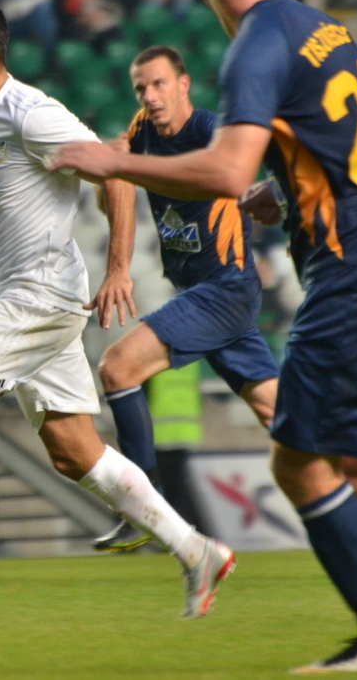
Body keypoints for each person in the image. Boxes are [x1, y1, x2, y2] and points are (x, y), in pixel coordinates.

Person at [46, 0, 357, 670]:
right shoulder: (326, 28)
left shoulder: (255, 46)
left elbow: (224, 170)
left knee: (298, 461)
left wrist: (115, 161)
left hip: (351, 275)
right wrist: (289, 189)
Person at [0, 0, 233, 619]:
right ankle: (197, 552)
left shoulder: (31, 114)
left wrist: (118, 269)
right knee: (73, 451)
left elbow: (115, 171)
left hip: (41, 296)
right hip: (36, 297)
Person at [89, 46, 279, 552]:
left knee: (117, 368)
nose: (149, 96)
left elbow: (259, 166)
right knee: (278, 414)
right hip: (203, 293)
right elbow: (110, 196)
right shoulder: (142, 131)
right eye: (141, 88)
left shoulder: (210, 130)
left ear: (183, 84)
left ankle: (141, 508)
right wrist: (110, 171)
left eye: (158, 84)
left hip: (223, 289)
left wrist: (274, 199)